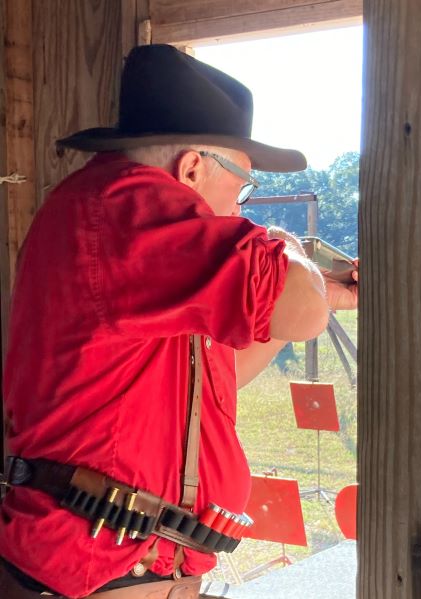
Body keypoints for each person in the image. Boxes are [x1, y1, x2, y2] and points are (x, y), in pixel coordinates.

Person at [0, 44, 357, 599]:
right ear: (192, 168)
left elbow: (222, 378)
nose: (239, 210)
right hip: (98, 570)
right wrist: (287, 247)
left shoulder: (150, 245)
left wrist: (322, 295)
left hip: (131, 570)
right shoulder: (125, 205)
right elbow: (301, 307)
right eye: (242, 187)